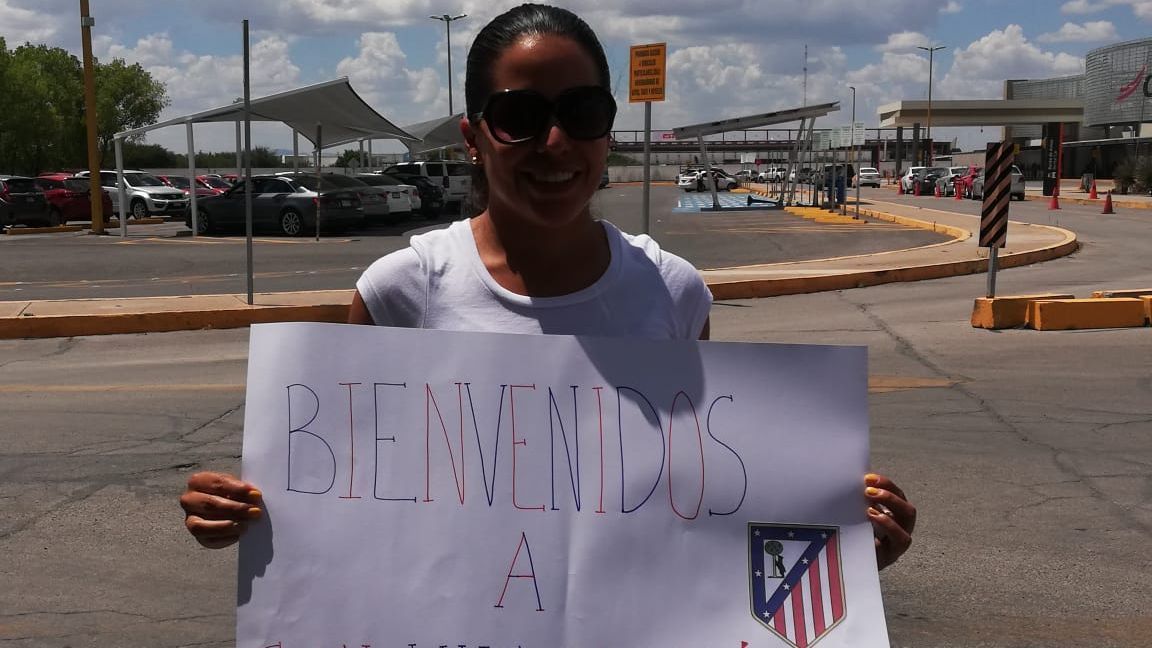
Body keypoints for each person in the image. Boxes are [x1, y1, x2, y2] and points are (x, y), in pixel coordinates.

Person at [180, 2, 915, 569]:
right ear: (473, 138)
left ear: (608, 130)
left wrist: (840, 538)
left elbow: (704, 497)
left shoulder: (674, 292)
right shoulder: (402, 289)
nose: (555, 144)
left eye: (582, 113)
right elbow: (334, 495)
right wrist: (242, 513)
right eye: (520, 118)